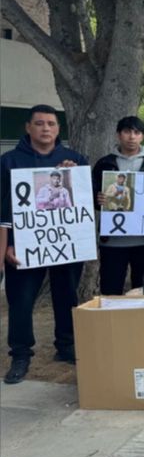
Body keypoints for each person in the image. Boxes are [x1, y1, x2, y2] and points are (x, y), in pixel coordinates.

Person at [0, 104, 88, 384]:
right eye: (39, 123)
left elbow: (83, 203)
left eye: (51, 123)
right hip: (23, 246)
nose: (45, 128)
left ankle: (66, 345)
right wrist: (7, 246)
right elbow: (2, 209)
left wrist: (75, 177)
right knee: (21, 301)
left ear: (58, 129)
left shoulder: (74, 159)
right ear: (28, 127)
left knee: (66, 295)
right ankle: (21, 354)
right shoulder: (8, 161)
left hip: (65, 245)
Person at [93, 116, 144, 295]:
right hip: (112, 241)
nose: (131, 137)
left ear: (142, 136)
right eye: (127, 131)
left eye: (137, 132)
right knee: (111, 290)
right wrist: (98, 200)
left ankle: (142, 324)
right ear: (118, 135)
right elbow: (91, 197)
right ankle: (113, 323)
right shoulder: (104, 163)